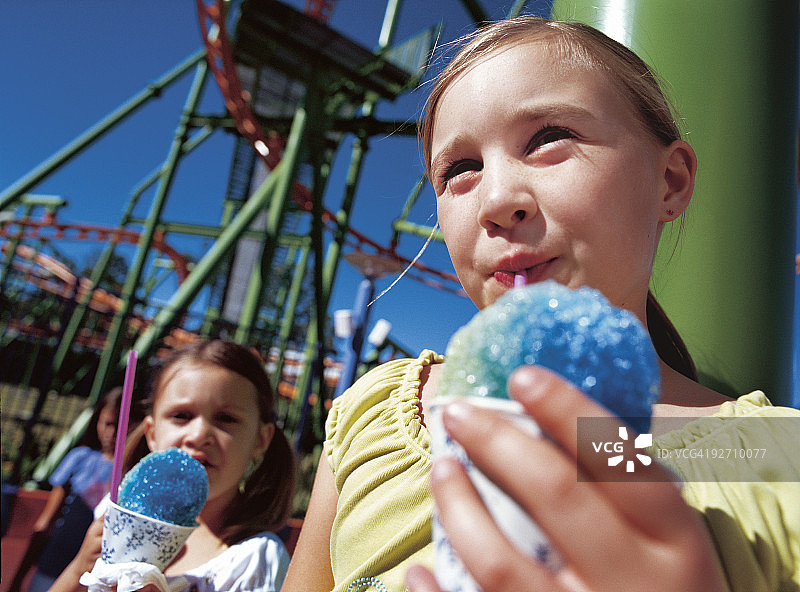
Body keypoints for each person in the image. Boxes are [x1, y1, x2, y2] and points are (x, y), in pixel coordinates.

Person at [281, 16, 800, 592]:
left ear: (670, 182)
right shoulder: (373, 415)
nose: (498, 201)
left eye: (549, 138)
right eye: (460, 170)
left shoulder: (778, 458)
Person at [50, 340, 297, 592]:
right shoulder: (116, 515)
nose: (198, 434)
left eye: (226, 419)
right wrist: (80, 568)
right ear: (152, 433)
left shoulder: (255, 561)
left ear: (260, 439)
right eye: (181, 416)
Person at [8, 388, 126, 592]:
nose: (112, 432)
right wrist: (18, 578)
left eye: (121, 424)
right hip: (52, 567)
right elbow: (46, 522)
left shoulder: (134, 474)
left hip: (95, 579)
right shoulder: (80, 458)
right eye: (107, 423)